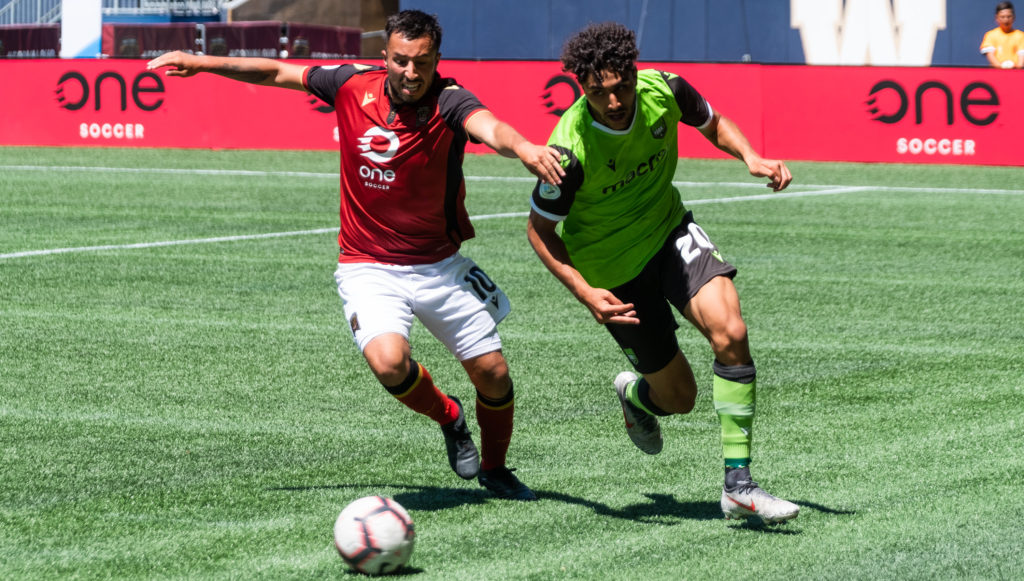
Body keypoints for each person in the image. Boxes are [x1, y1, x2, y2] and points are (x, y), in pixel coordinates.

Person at [148, 9, 565, 501]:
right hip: (368, 265)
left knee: (494, 375)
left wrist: (524, 148)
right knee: (390, 363)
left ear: (436, 59)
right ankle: (449, 416)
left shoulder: (450, 101)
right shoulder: (350, 85)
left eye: (423, 63)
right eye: (401, 61)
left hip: (439, 266)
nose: (412, 74)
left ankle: (496, 469)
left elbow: (491, 128)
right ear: (384, 56)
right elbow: (277, 71)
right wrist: (200, 62)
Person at [525, 22, 799, 523]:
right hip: (612, 272)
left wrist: (751, 156)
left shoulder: (664, 88)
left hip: (669, 231)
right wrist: (585, 292)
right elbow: (540, 230)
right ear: (582, 87)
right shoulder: (568, 151)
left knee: (732, 332)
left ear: (634, 73)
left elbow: (711, 121)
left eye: (621, 87)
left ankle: (739, 485)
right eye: (599, 93)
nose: (614, 102)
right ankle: (634, 394)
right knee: (679, 399)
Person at [981, 2, 1024, 69]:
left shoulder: (1021, 36)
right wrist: (1001, 68)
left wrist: (1017, 71)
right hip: (996, 72)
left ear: (1014, 17)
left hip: (1015, 73)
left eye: (1008, 16)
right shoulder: (990, 35)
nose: (1006, 20)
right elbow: (990, 55)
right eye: (1002, 17)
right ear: (997, 18)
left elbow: (1021, 58)